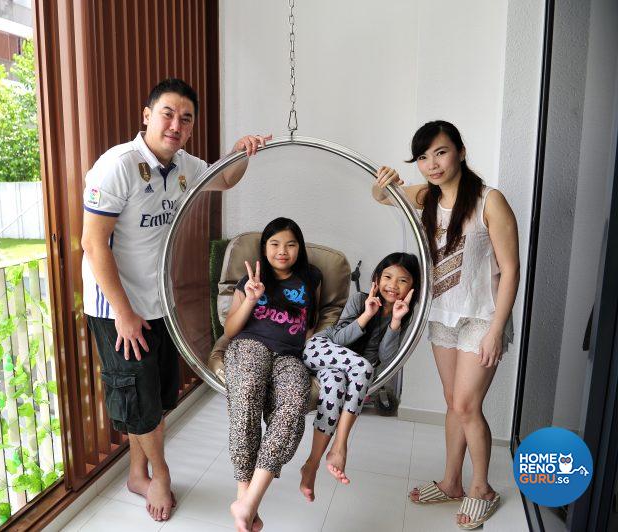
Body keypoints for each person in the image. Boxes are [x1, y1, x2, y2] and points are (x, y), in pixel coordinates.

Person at [81, 78, 271, 522]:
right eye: (167, 113)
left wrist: (243, 153)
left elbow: (223, 180)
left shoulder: (184, 164)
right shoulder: (118, 166)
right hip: (117, 309)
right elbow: (93, 245)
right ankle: (160, 474)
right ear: (146, 115)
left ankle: (136, 472)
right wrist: (125, 314)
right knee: (139, 399)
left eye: (185, 118)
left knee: (156, 396)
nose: (176, 124)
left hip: (158, 302)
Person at [374, 120, 519, 529]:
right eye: (422, 157)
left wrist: (496, 330)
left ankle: (482, 489)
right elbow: (381, 196)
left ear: (459, 150)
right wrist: (382, 182)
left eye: (439, 152)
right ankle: (451, 482)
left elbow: (511, 270)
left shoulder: (490, 201)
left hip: (482, 318)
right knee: (452, 403)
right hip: (442, 316)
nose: (431, 164)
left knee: (468, 405)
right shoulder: (426, 197)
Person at [222, 217, 322, 532]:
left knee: (295, 399)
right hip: (250, 344)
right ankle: (244, 497)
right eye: (275, 244)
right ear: (264, 248)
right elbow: (229, 330)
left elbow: (311, 323)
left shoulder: (311, 278)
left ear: (300, 248)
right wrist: (251, 297)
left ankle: (248, 503)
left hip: (290, 354)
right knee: (248, 390)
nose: (283, 251)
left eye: (291, 244)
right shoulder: (250, 279)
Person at [299, 252, 419, 501]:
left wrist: (395, 321)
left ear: (412, 287)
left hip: (339, 372)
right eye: (387, 277)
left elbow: (387, 360)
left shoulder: (404, 316)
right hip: (319, 350)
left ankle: (312, 464)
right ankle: (340, 447)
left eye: (402, 281)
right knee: (363, 366)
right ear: (376, 279)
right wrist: (367, 314)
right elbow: (339, 339)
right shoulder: (359, 300)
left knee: (335, 388)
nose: (393, 285)